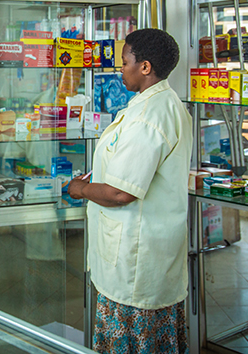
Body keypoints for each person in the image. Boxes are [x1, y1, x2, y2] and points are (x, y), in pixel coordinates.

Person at [68, 29, 192, 354]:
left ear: (145, 67)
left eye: (125, 62)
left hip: (137, 261)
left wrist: (80, 189)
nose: (120, 69)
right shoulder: (158, 104)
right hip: (147, 250)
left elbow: (123, 193)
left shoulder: (150, 117)